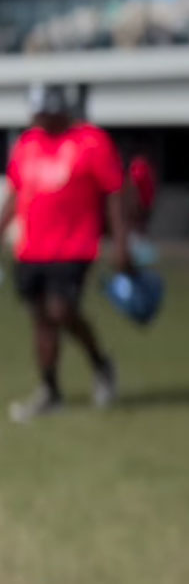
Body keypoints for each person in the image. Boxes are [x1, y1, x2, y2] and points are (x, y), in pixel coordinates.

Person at [0, 84, 128, 422]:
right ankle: (50, 390)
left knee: (61, 310)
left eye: (44, 114)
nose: (38, 120)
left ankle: (101, 363)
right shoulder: (27, 144)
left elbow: (114, 192)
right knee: (40, 318)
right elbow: (15, 193)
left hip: (74, 245)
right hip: (31, 248)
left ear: (59, 111)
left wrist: (121, 243)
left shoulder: (91, 142)